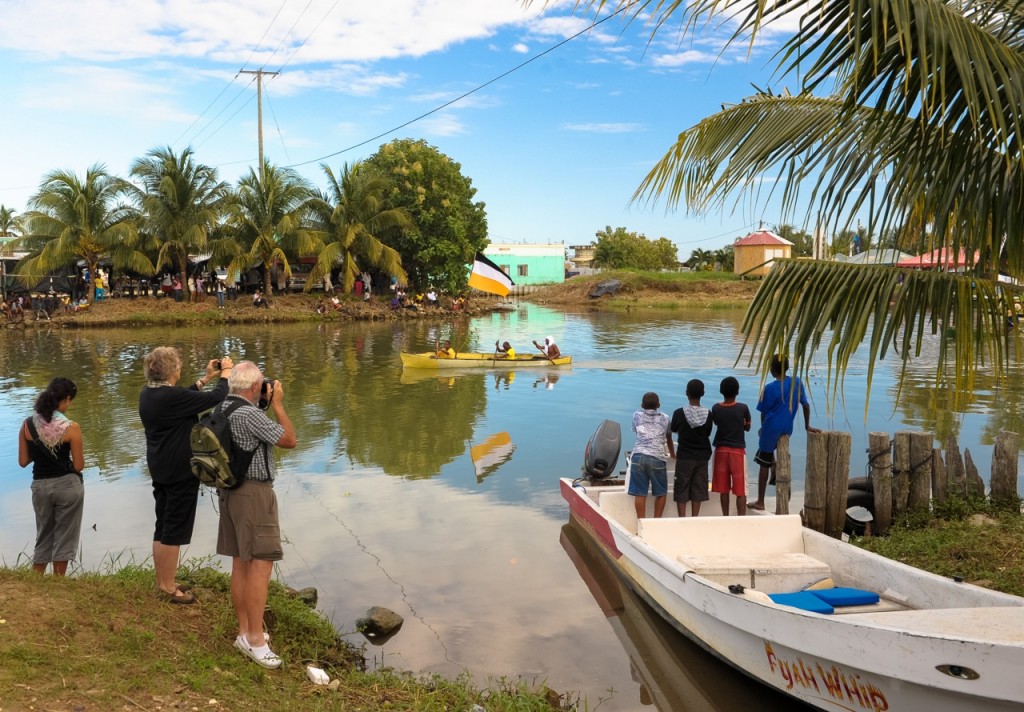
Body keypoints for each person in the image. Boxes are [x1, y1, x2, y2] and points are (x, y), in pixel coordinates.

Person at [217, 362, 297, 669]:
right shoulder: (250, 414)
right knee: (261, 567)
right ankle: (255, 640)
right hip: (254, 494)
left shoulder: (224, 406)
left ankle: (244, 632)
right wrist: (277, 404)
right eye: (263, 385)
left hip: (230, 492)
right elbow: (289, 440)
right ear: (253, 387)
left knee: (241, 562)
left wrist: (264, 401)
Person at [139, 348, 233, 604]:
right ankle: (169, 588)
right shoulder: (171, 397)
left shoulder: (149, 393)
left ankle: (162, 581)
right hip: (179, 471)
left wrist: (205, 378)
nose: (180, 369)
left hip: (160, 467)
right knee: (174, 530)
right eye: (178, 365)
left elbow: (183, 397)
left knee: (162, 525)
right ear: (172, 371)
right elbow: (217, 397)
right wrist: (225, 374)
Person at [17, 378, 85, 576]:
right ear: (66, 399)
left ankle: (37, 579)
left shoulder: (27, 425)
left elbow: (23, 461)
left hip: (40, 487)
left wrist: (40, 448)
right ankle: (58, 582)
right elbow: (79, 465)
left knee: (44, 533)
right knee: (65, 535)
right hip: (67, 487)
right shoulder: (72, 427)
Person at [751, 356, 820, 511]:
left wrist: (765, 427)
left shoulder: (769, 388)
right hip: (787, 429)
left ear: (772, 370)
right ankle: (773, 464)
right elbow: (806, 405)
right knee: (761, 435)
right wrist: (807, 426)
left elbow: (763, 413)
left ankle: (760, 501)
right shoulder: (796, 382)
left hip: (771, 429)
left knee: (763, 462)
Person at [627, 392, 675, 520]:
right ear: (658, 405)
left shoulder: (636, 415)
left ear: (642, 405)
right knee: (661, 493)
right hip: (657, 458)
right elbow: (669, 439)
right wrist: (673, 455)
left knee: (640, 494)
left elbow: (638, 432)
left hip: (638, 457)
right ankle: (656, 521)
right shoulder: (665, 418)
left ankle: (641, 522)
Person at [671, 379, 713, 517]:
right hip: (702, 456)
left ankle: (682, 518)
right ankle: (695, 517)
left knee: (682, 486)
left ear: (686, 393)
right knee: (699, 487)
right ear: (703, 394)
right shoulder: (708, 414)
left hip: (685, 456)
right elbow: (707, 432)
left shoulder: (679, 413)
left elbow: (673, 428)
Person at [710, 376, 751, 516]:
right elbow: (747, 427)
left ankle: (725, 516)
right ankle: (741, 517)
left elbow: (716, 423)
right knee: (741, 490)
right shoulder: (743, 408)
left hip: (721, 451)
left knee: (723, 489)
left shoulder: (716, 408)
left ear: (721, 391)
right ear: (738, 391)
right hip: (738, 452)